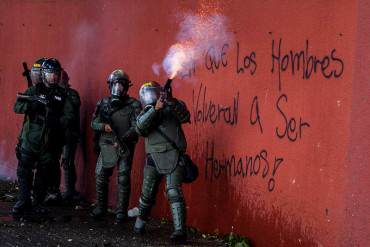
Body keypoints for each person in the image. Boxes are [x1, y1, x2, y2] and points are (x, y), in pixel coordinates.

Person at [12, 58, 75, 217]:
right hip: (30, 139)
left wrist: (55, 119)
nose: (53, 77)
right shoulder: (34, 91)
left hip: (50, 142)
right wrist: (31, 105)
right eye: (50, 74)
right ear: (43, 74)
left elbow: (70, 117)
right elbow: (17, 106)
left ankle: (37, 204)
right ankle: (23, 201)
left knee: (43, 174)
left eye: (56, 74)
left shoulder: (62, 95)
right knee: (24, 171)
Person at [133, 81, 190, 243]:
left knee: (173, 191)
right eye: (149, 93)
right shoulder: (145, 112)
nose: (152, 96)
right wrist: (155, 109)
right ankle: (139, 225)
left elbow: (185, 116)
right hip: (153, 157)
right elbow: (140, 128)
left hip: (174, 154)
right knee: (146, 195)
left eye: (155, 92)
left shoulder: (174, 105)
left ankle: (180, 231)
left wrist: (170, 101)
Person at [90, 69, 141, 223]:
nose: (118, 88)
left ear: (127, 87)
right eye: (115, 84)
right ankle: (101, 207)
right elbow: (94, 123)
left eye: (121, 85)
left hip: (125, 146)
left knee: (124, 178)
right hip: (107, 144)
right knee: (101, 176)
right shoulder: (103, 103)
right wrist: (103, 127)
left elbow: (137, 126)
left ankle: (120, 212)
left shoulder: (134, 105)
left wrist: (124, 138)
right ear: (110, 85)